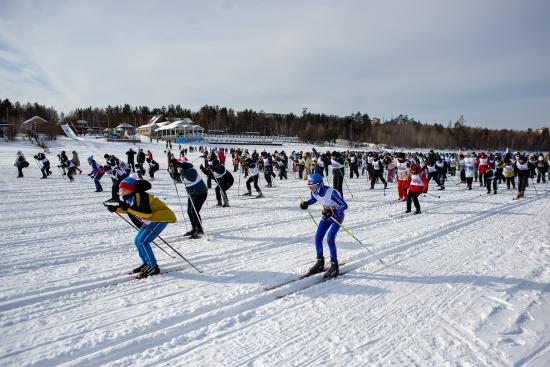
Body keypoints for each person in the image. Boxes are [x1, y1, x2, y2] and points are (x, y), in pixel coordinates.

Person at [106, 177, 176, 277]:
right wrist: (116, 209)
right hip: (151, 219)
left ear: (132, 189)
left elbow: (145, 213)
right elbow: (130, 209)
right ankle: (147, 263)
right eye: (121, 189)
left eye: (125, 189)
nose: (122, 191)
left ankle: (153, 266)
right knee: (138, 241)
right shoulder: (130, 197)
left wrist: (127, 209)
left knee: (143, 241)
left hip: (160, 218)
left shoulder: (142, 196)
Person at [299, 173, 348, 279]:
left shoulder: (331, 193)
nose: (311, 189)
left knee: (330, 238)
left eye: (313, 187)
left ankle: (334, 266)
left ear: (320, 184)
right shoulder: (315, 192)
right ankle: (320, 262)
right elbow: (314, 199)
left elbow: (344, 205)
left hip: (337, 216)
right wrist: (306, 203)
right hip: (327, 214)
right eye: (310, 187)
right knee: (318, 237)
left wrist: (332, 210)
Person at [174, 160, 208, 238]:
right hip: (192, 193)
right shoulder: (182, 172)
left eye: (177, 168)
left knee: (194, 211)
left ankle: (199, 231)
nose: (177, 170)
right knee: (189, 211)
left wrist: (181, 171)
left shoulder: (192, 170)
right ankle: (194, 228)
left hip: (200, 193)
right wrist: (172, 173)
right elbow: (177, 178)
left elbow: (192, 178)